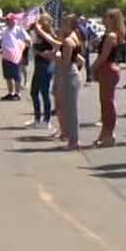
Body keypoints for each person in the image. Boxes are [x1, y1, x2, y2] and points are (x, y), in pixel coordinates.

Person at [90, 8, 126, 147]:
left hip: (108, 68)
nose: (104, 20)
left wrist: (93, 68)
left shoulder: (111, 36)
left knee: (107, 103)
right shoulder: (110, 34)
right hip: (108, 69)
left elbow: (104, 55)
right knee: (105, 103)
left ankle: (109, 135)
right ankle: (104, 133)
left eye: (107, 17)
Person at [55, 14, 85, 151]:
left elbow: (65, 62)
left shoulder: (68, 41)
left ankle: (74, 140)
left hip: (68, 74)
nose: (61, 25)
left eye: (64, 22)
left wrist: (54, 57)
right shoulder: (74, 37)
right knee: (68, 108)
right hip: (72, 73)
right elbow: (81, 60)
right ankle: (71, 137)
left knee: (71, 109)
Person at [28, 14, 61, 129]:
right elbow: (33, 44)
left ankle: (46, 120)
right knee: (34, 92)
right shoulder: (38, 35)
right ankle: (37, 119)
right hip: (38, 64)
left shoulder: (50, 35)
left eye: (41, 21)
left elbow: (55, 49)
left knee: (44, 92)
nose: (39, 23)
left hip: (45, 65)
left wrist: (43, 53)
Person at [0, 14, 30, 101]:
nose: (7, 21)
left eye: (9, 20)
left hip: (15, 57)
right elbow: (1, 39)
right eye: (6, 20)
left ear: (14, 21)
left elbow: (27, 39)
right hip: (5, 55)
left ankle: (18, 93)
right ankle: (10, 93)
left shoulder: (18, 29)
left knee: (16, 76)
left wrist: (23, 49)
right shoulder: (4, 30)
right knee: (8, 76)